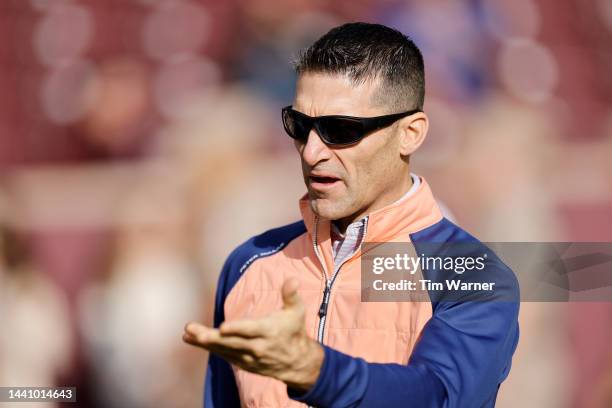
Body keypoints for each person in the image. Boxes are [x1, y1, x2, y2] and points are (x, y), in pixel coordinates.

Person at [183, 22, 520, 407]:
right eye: (299, 125)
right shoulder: (249, 263)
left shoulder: (473, 273)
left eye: (340, 130)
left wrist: (317, 372)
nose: (311, 152)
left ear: (411, 133)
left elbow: (437, 397)